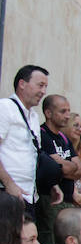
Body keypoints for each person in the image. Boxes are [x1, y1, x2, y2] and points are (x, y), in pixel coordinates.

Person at [36, 94, 81, 244]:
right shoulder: (42, 134)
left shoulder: (64, 139)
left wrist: (67, 167)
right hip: (50, 200)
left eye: (68, 111)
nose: (67, 115)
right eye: (63, 111)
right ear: (49, 113)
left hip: (68, 201)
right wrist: (70, 167)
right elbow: (61, 169)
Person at [0, 65, 51, 214]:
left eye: (46, 87)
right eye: (40, 85)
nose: (43, 92)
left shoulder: (34, 116)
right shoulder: (5, 107)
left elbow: (34, 155)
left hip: (28, 196)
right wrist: (9, 184)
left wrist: (52, 186)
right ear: (22, 84)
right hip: (6, 193)